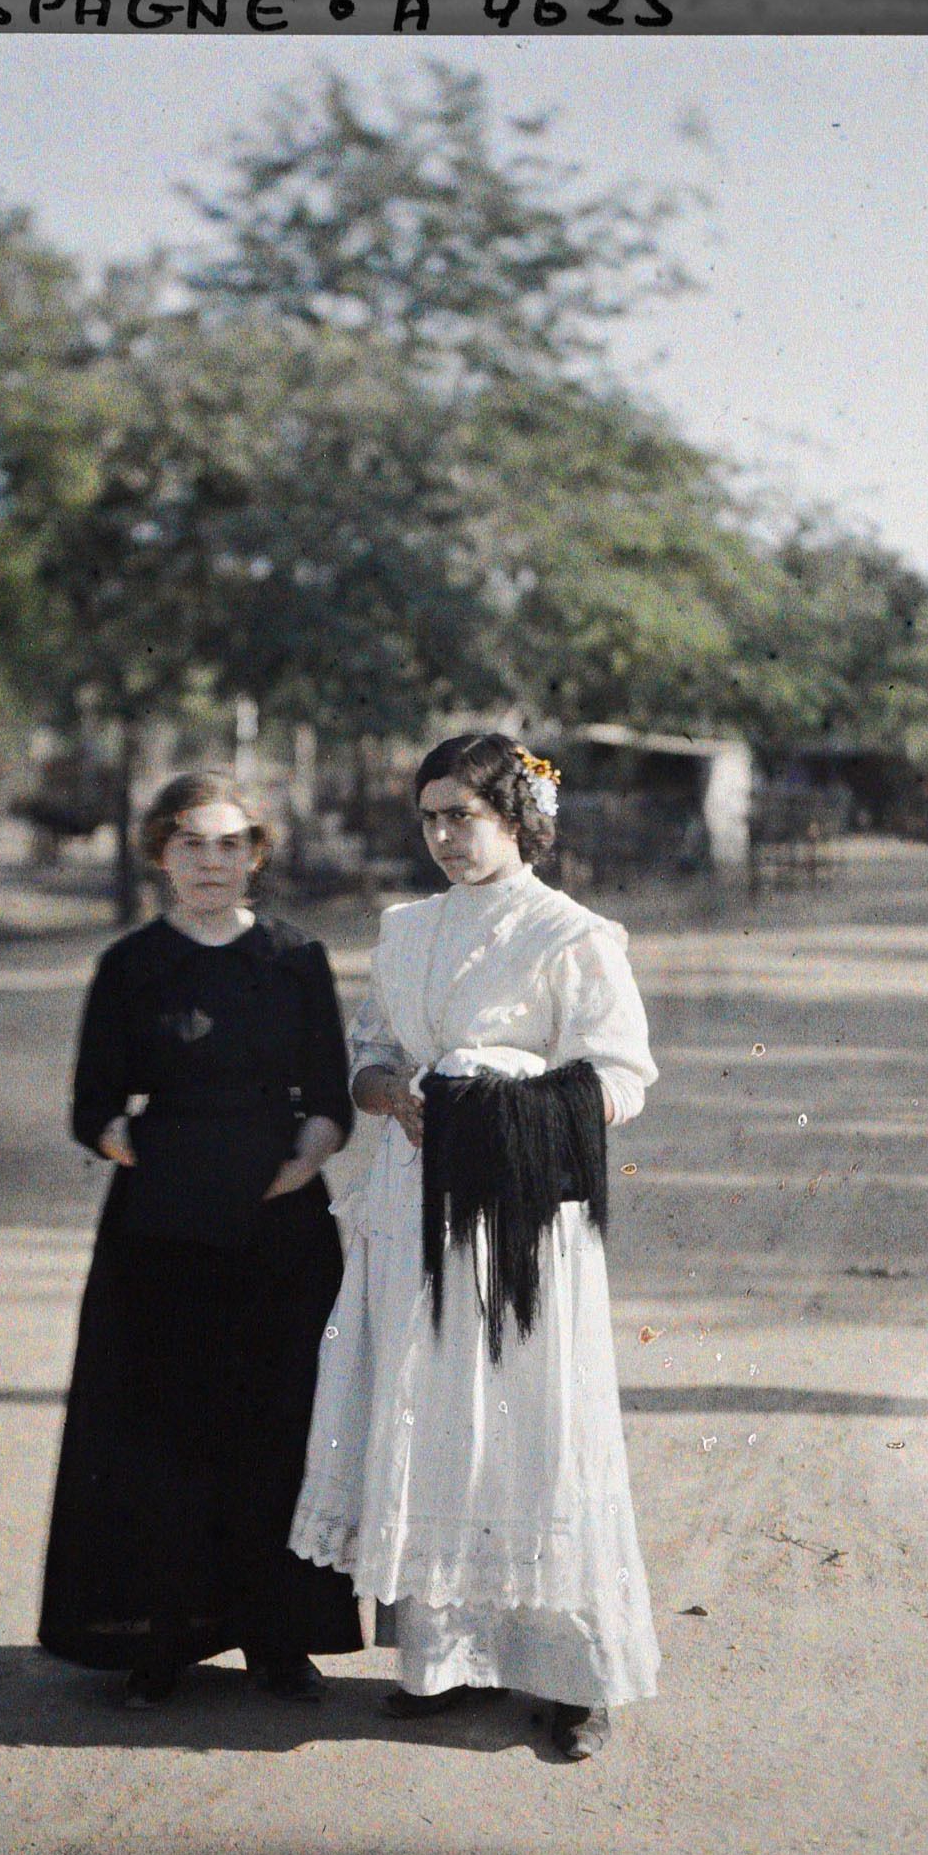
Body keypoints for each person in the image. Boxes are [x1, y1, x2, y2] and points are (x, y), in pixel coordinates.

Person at [289, 732, 660, 1760]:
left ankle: (569, 1677)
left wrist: (503, 1099)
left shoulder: (571, 933)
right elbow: (368, 1050)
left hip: (521, 1210)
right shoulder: (404, 927)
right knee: (438, 1418)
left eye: (466, 814)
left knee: (536, 1429)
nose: (445, 836)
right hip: (414, 1201)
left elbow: (621, 1075)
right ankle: (444, 1660)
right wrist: (391, 1092)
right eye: (431, 815)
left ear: (517, 818)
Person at [39, 771, 362, 1705]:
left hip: (281, 1232)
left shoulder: (296, 960)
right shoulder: (130, 966)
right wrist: (156, 1159)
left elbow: (329, 1099)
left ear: (257, 853)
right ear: (159, 854)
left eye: (229, 844)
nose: (210, 863)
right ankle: (158, 1637)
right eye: (190, 844)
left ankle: (279, 1638)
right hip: (161, 1236)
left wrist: (296, 1164)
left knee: (276, 1423)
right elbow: (93, 1107)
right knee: (160, 1430)